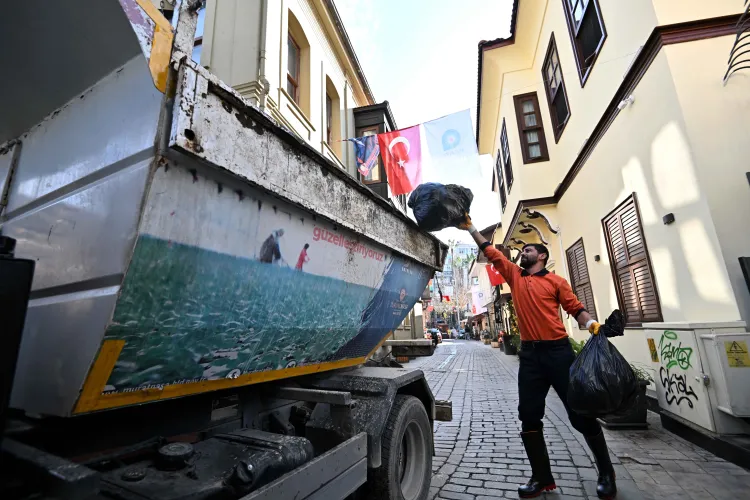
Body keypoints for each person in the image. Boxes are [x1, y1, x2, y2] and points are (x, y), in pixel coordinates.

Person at [460, 215, 616, 499]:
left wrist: (593, 325)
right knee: (529, 416)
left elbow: (575, 308)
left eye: (528, 250)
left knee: (580, 415)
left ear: (541, 255)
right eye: (522, 252)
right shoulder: (514, 276)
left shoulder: (556, 282)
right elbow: (490, 252)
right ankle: (541, 478)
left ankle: (606, 472)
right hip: (531, 357)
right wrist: (471, 227)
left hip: (558, 353)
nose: (523, 253)